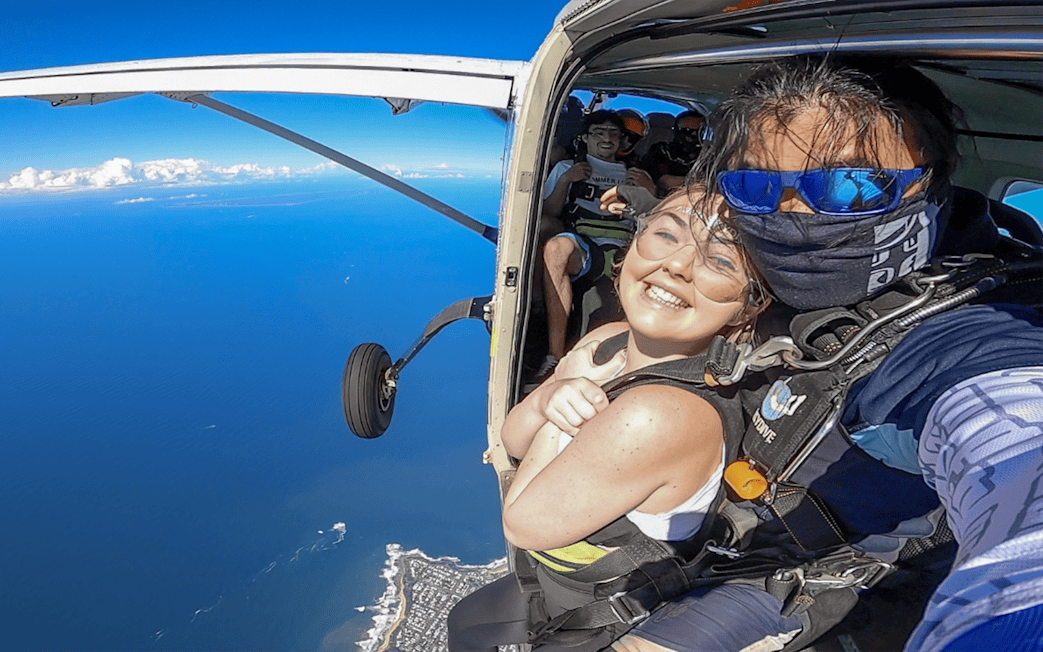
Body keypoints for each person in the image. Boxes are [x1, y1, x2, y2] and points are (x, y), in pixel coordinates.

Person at [603, 57, 1043, 652]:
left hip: (802, 579)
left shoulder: (970, 338)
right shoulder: (757, 262)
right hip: (713, 536)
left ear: (930, 182)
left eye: (850, 184)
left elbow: (1012, 443)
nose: (793, 213)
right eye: (754, 184)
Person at [447, 190, 770, 652]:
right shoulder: (610, 339)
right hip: (555, 584)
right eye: (666, 234)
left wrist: (560, 410)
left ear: (747, 306)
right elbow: (513, 440)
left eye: (720, 260)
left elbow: (521, 523)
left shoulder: (658, 415)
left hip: (603, 617)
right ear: (632, 245)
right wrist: (551, 396)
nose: (678, 265)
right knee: (464, 626)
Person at [539, 110, 657, 374]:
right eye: (599, 133)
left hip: (627, 246)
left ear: (621, 140)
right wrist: (566, 181)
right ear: (585, 138)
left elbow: (658, 216)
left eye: (613, 134)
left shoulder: (637, 174)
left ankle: (640, 361)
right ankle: (554, 356)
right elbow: (550, 212)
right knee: (556, 248)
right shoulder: (567, 168)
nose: (607, 138)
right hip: (586, 244)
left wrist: (649, 190)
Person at [639, 110, 705, 196]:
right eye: (687, 130)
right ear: (676, 131)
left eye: (700, 132)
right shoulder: (660, 151)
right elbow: (664, 182)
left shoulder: (708, 156)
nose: (693, 135)